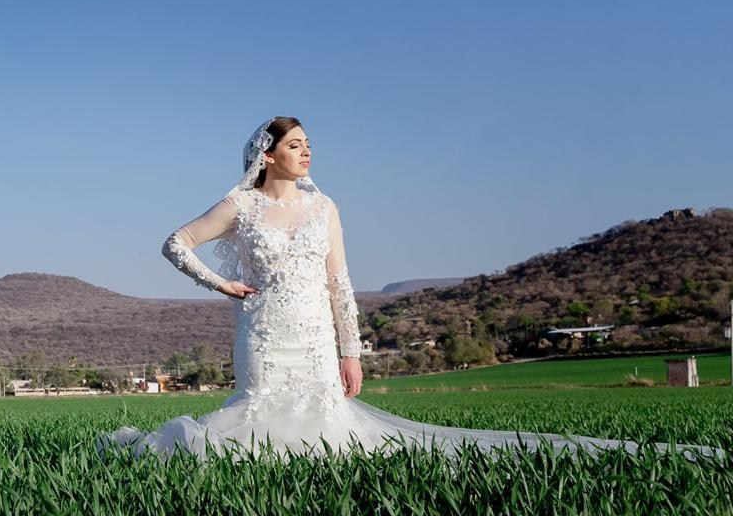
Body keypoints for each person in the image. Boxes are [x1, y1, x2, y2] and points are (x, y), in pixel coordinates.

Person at [105, 117, 713, 458]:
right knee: (257, 418)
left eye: (309, 143)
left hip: (316, 332)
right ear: (267, 155)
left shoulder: (325, 209)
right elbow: (175, 243)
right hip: (263, 330)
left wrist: (350, 350)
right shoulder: (239, 206)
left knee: (330, 424)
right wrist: (224, 285)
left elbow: (339, 284)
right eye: (295, 145)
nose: (307, 151)